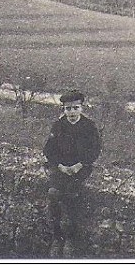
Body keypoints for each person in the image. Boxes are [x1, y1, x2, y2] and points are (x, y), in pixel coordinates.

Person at [43, 89, 101, 257]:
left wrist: (80, 164)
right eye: (68, 109)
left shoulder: (89, 126)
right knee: (53, 194)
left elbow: (95, 149)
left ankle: (71, 237)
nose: (72, 112)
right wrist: (60, 165)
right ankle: (57, 236)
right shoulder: (58, 125)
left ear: (81, 108)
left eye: (75, 108)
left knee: (72, 195)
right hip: (61, 167)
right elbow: (48, 149)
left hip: (80, 167)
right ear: (64, 110)